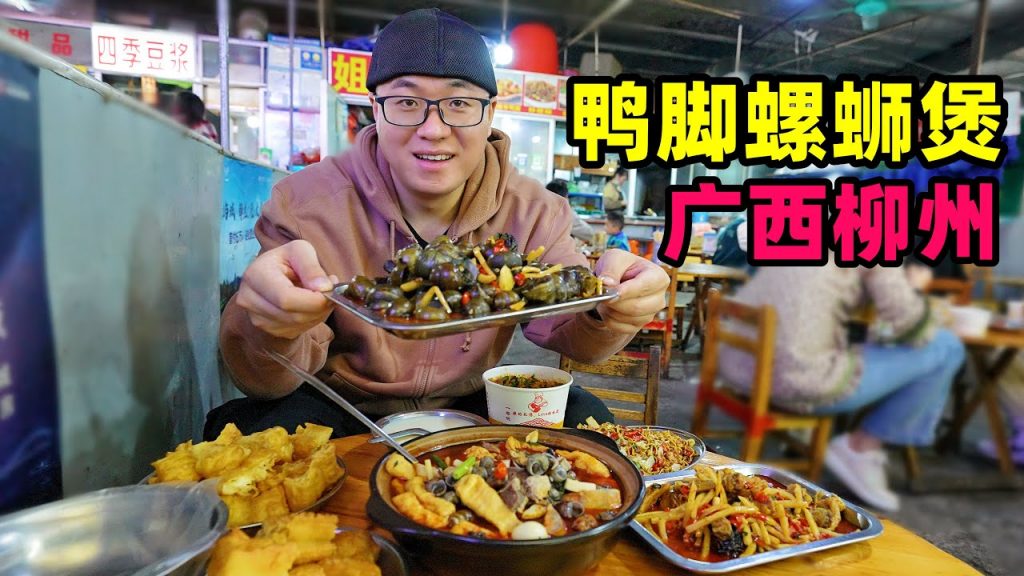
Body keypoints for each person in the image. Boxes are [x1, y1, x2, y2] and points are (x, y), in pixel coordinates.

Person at [210, 8, 669, 439]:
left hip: (473, 396)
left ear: (490, 113)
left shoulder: (535, 210)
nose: (433, 129)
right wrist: (268, 325)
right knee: (246, 429)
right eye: (407, 102)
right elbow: (263, 380)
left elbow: (575, 331)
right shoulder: (303, 204)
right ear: (376, 108)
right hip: (342, 404)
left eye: (460, 103)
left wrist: (612, 308)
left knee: (591, 421)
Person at [718, 260, 965, 512]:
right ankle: (861, 447)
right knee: (947, 346)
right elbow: (911, 323)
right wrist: (915, 288)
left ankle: (839, 443)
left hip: (740, 367)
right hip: (791, 380)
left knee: (859, 343)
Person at [545, 179, 595, 243]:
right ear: (565, 198)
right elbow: (590, 234)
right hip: (557, 248)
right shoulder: (565, 213)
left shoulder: (538, 209)